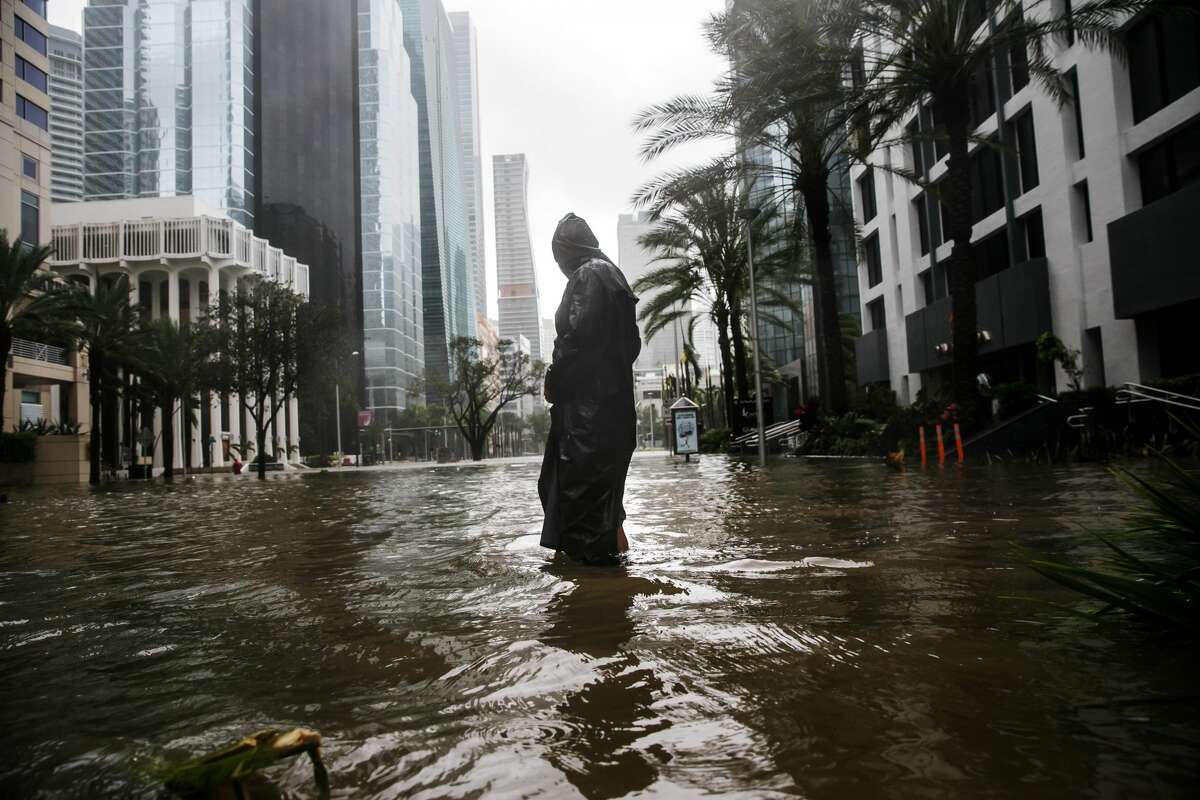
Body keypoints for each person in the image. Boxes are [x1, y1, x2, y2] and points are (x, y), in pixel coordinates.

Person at [539, 213, 641, 564]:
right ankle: (618, 585)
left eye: (558, 256)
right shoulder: (615, 278)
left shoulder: (588, 275)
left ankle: (596, 600)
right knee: (606, 510)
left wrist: (554, 380)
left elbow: (575, 340)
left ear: (568, 250)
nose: (559, 265)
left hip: (588, 423)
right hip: (614, 416)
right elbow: (632, 347)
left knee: (582, 512)